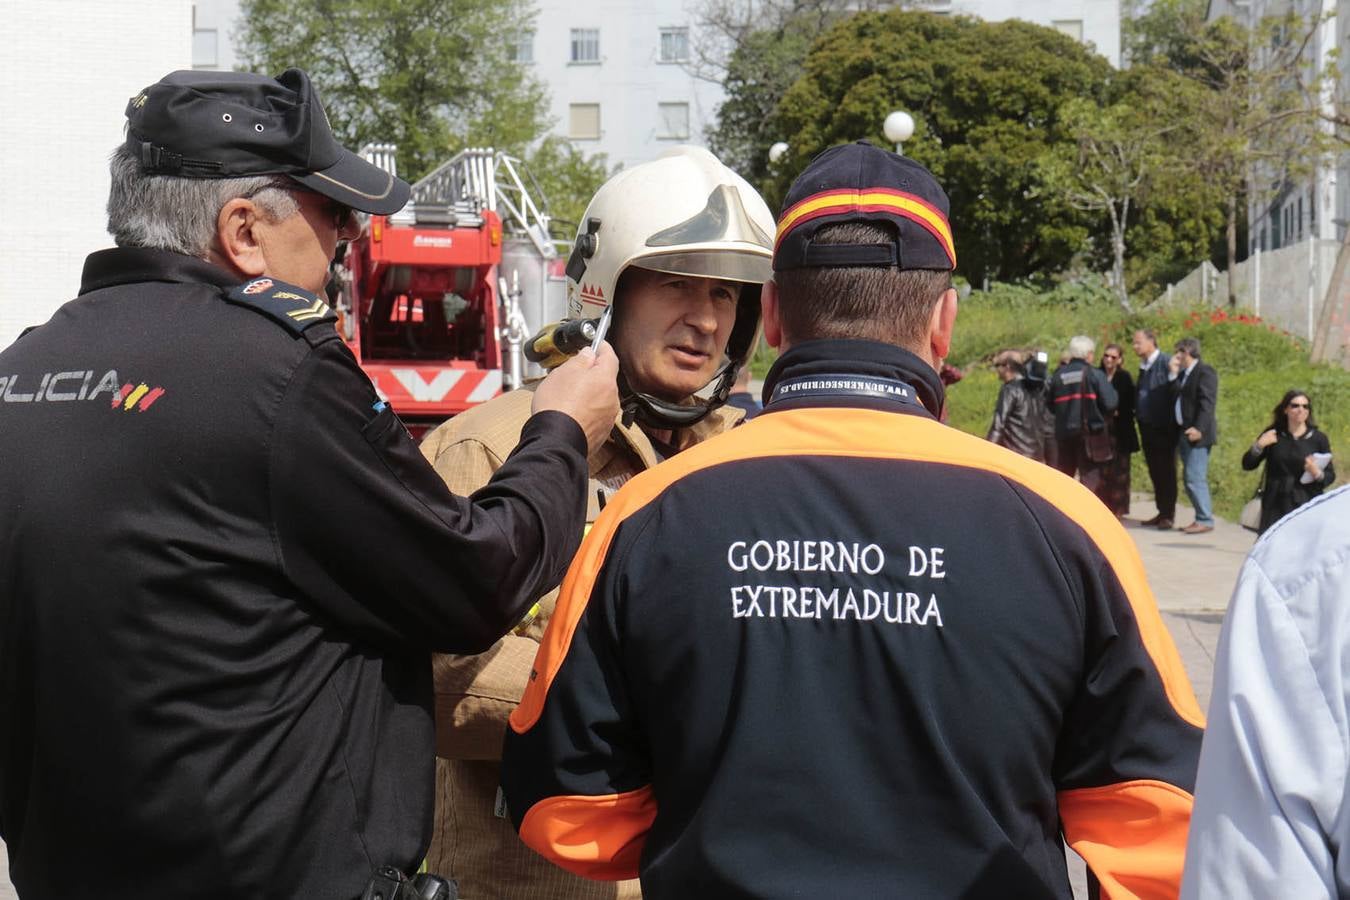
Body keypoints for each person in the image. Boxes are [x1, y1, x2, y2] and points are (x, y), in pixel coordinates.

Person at [499, 141, 1203, 899]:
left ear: (769, 315)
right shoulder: (1068, 526)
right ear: (944, 320)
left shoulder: (646, 515)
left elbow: (566, 807)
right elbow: (1165, 831)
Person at [0, 68, 620, 900]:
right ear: (244, 229)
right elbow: (476, 580)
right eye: (333, 215)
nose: (346, 245)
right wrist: (561, 434)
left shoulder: (22, 371)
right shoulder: (276, 372)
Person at [419, 146, 775, 899]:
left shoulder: (747, 463)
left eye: (726, 293)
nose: (706, 318)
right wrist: (653, 705)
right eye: (677, 284)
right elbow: (438, 680)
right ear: (604, 293)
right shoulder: (489, 447)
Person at [1181, 485, 1350, 899]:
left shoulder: (1310, 568)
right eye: (1292, 410)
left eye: (1301, 410)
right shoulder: (1311, 569)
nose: (1297, 412)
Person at [1240, 390, 1334, 534]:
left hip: (1305, 502)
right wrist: (1259, 445)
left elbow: (1330, 476)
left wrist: (1317, 473)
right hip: (1275, 503)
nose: (1300, 410)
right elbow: (1247, 464)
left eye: (1305, 406)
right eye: (1295, 406)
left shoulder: (1318, 438)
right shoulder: (1274, 434)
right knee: (1272, 550)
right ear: (1286, 409)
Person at [1048, 335, 1118, 491]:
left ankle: (1061, 512)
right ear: (1089, 354)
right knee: (1090, 480)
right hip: (1090, 437)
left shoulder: (1058, 375)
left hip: (1064, 435)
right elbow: (1111, 402)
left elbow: (1050, 405)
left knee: (1064, 479)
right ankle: (1084, 513)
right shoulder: (1094, 374)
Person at [1170, 336, 1219, 534]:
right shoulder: (1184, 374)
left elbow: (1207, 402)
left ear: (1186, 352)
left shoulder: (1204, 372)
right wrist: (1173, 375)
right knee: (1189, 476)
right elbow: (1176, 398)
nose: (1176, 357)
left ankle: (1205, 519)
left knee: (1195, 476)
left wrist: (1200, 428)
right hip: (1184, 432)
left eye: (1178, 352)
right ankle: (1200, 516)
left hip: (1197, 434)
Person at [1132, 328, 1179, 529]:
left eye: (1138, 342)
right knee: (1155, 471)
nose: (1135, 347)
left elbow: (1173, 393)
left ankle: (1168, 513)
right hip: (1147, 428)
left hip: (1164, 429)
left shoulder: (1166, 363)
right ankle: (1161, 511)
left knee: (1166, 471)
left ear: (1151, 341)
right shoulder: (1144, 366)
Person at [1097, 342, 1139, 516]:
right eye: (1106, 355)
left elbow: (1131, 401)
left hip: (1121, 429)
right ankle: (1102, 507)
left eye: (1113, 357)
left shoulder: (1124, 377)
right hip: (1101, 430)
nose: (1108, 359)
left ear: (1120, 359)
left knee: (1120, 471)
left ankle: (1119, 509)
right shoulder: (1097, 374)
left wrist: (1119, 410)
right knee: (1102, 470)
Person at [986, 348, 1045, 461]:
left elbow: (998, 425)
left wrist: (986, 453)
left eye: (998, 365)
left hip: (1015, 455)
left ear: (1007, 366)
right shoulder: (1034, 389)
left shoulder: (1009, 389)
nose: (996, 370)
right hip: (1036, 456)